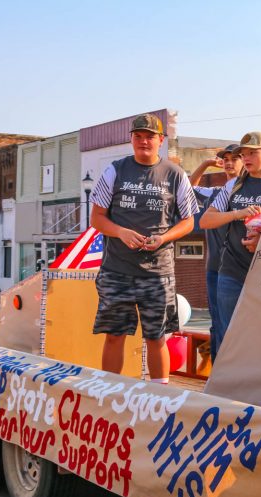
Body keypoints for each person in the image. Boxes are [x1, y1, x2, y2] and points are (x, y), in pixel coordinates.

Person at [90, 113, 198, 381]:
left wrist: (163, 238)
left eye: (150, 136)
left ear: (160, 140)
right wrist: (121, 232)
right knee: (114, 336)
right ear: (131, 139)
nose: (143, 141)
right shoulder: (115, 170)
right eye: (138, 136)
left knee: (157, 337)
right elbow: (96, 218)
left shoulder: (175, 174)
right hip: (117, 270)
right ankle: (109, 390)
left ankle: (159, 397)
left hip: (158, 272)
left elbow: (189, 222)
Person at [200, 132, 261, 353]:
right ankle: (226, 387)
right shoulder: (234, 184)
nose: (246, 158)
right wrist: (237, 214)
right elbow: (206, 220)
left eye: (252, 152)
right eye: (243, 154)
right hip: (231, 272)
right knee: (228, 338)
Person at [189, 144, 243, 362]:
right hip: (214, 268)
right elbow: (188, 187)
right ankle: (217, 372)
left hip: (239, 267)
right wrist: (206, 164)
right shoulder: (215, 193)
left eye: (235, 159)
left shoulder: (248, 194)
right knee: (218, 322)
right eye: (225, 159)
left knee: (239, 323)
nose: (229, 163)